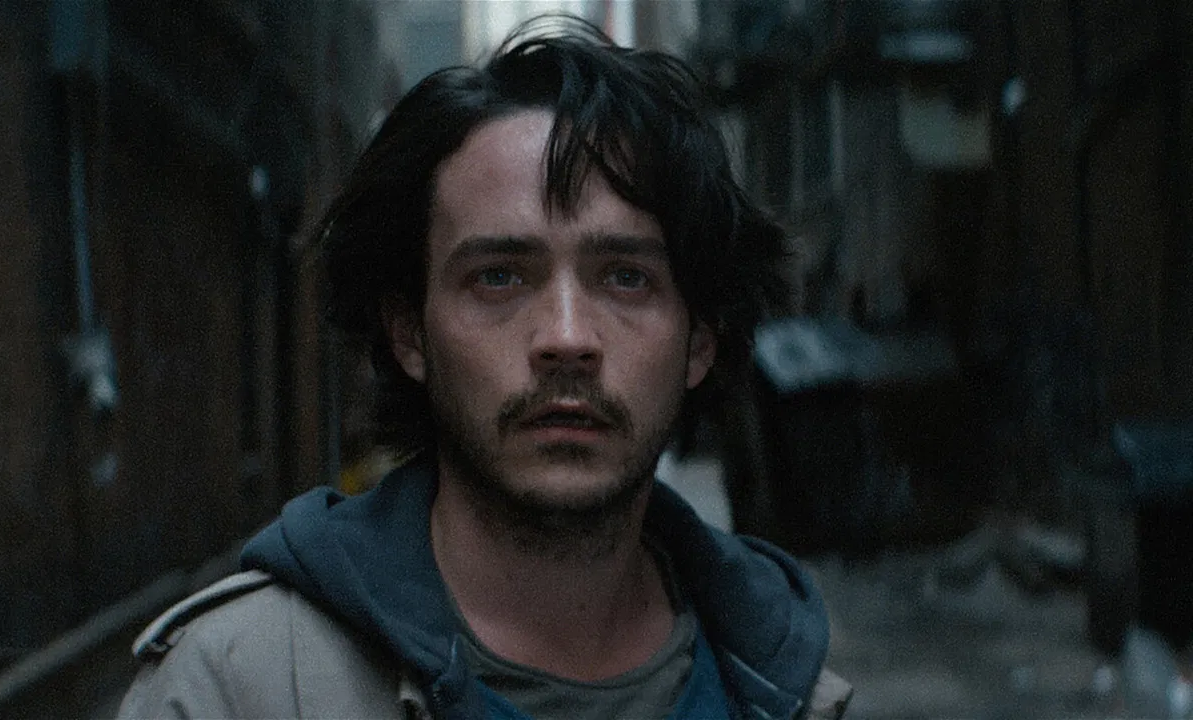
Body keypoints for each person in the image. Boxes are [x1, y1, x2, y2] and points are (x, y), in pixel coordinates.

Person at [119, 17, 851, 720]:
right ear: (409, 332)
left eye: (626, 278)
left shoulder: (785, 685)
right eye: (499, 277)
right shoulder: (235, 690)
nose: (567, 338)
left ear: (700, 341)